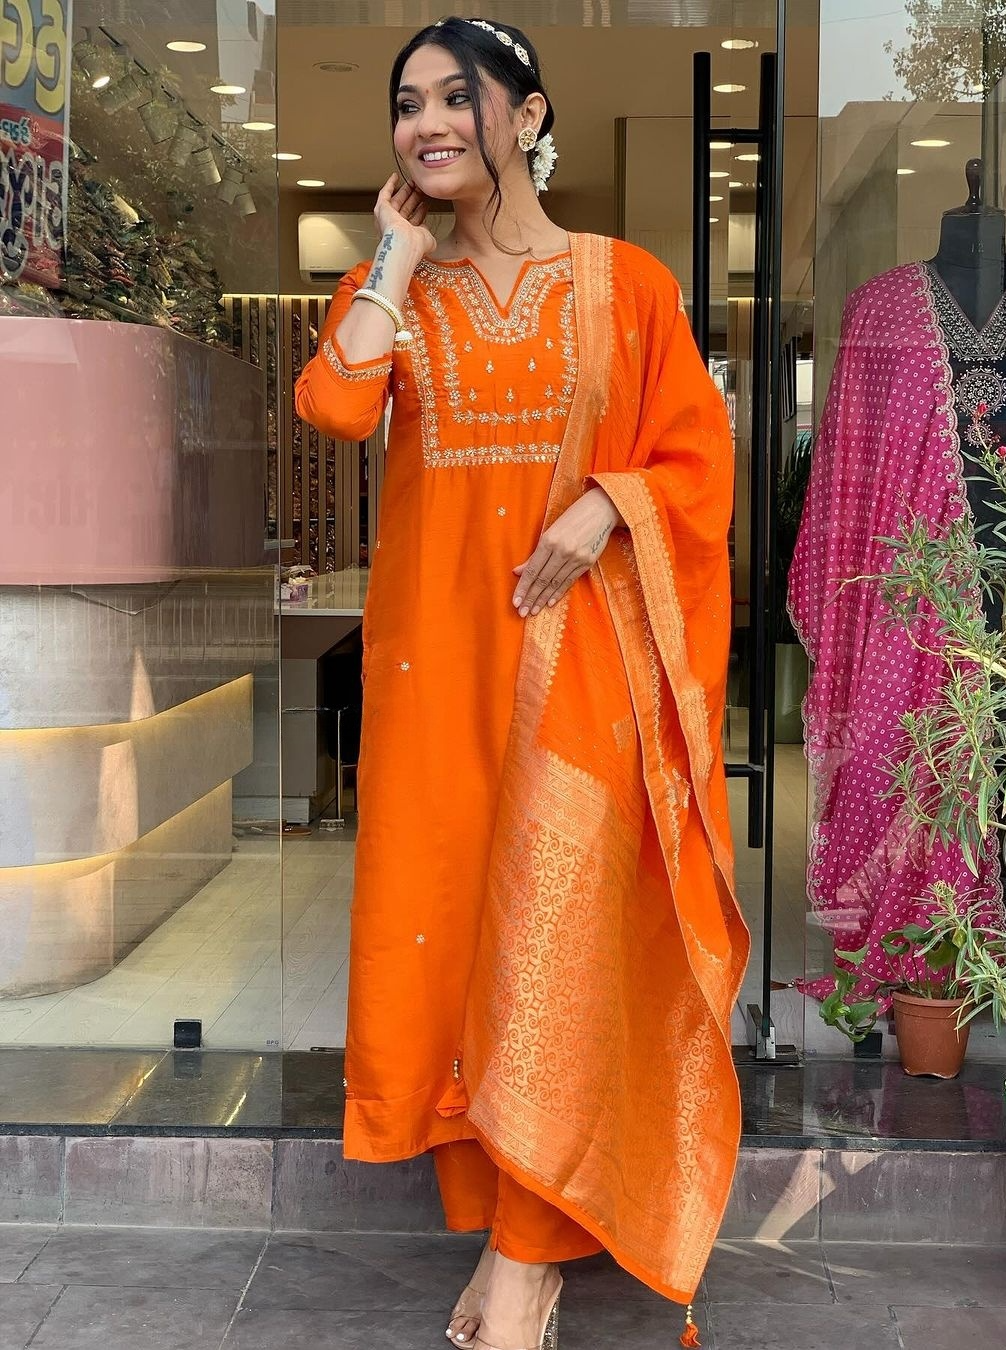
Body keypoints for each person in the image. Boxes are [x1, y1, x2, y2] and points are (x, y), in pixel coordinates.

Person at [295, 17, 749, 1350]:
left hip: (580, 669)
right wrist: (391, 257)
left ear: (529, 114)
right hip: (438, 670)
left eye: (459, 97)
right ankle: (501, 1222)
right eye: (408, 104)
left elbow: (699, 463)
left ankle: (528, 1258)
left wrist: (608, 506)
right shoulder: (396, 288)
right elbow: (336, 406)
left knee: (561, 939)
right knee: (451, 936)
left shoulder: (625, 283)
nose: (428, 123)